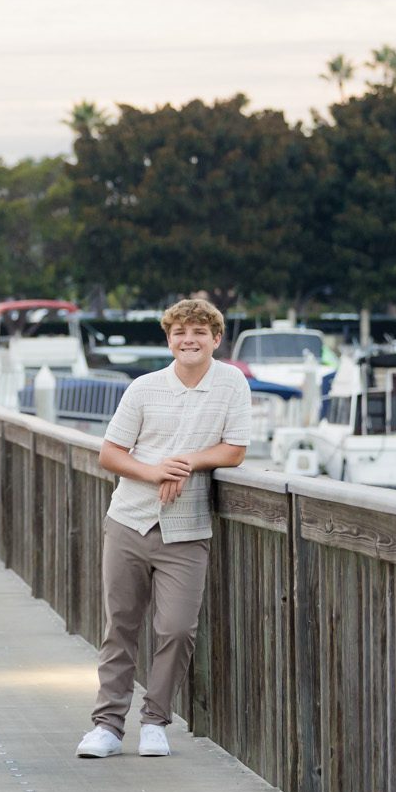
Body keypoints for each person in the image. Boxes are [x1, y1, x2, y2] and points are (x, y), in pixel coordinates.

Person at [76, 297, 251, 759]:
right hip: (130, 520)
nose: (188, 340)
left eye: (198, 332)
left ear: (216, 339)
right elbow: (110, 454)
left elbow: (234, 449)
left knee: (176, 628)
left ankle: (155, 720)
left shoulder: (231, 383)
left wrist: (187, 463)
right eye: (179, 332)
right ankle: (107, 726)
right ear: (169, 339)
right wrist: (155, 472)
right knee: (121, 627)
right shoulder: (143, 388)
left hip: (187, 529)